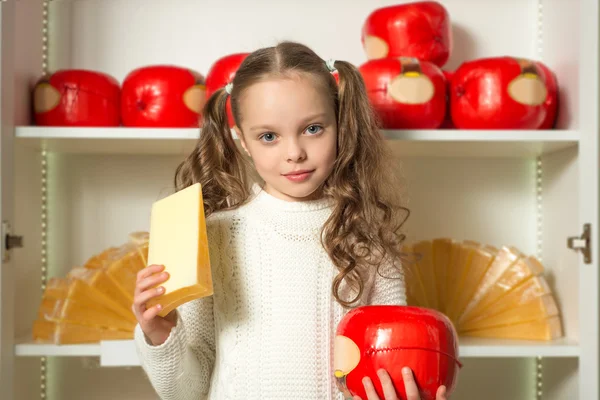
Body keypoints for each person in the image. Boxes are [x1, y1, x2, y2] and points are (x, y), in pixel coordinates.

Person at [132, 41, 449, 400]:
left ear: (340, 124)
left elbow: (389, 367)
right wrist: (160, 334)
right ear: (242, 143)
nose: (295, 153)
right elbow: (185, 392)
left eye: (313, 129)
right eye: (269, 136)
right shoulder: (214, 236)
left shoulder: (368, 239)